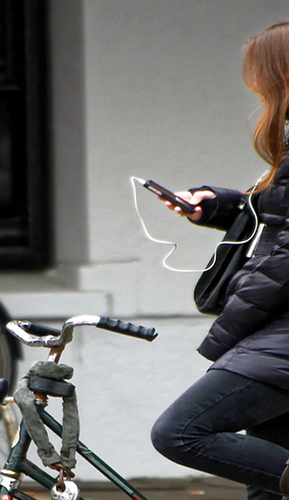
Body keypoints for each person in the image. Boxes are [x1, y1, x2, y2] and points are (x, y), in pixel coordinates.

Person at [150, 22, 289, 500]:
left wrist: (232, 325)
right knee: (270, 487)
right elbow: (275, 214)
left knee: (179, 432)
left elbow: (286, 254)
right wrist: (215, 204)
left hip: (279, 334)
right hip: (275, 333)